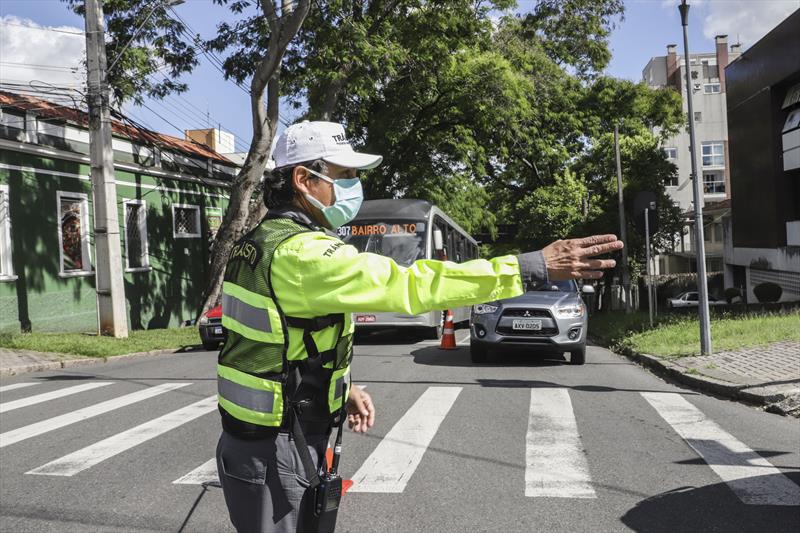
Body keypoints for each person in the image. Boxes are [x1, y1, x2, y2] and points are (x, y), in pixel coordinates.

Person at [215, 121, 623, 533]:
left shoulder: (260, 241)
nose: (355, 186)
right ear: (304, 179)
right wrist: (529, 267)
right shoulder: (304, 254)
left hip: (264, 437)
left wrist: (341, 388)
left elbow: (272, 341)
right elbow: (415, 283)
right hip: (279, 446)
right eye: (345, 176)